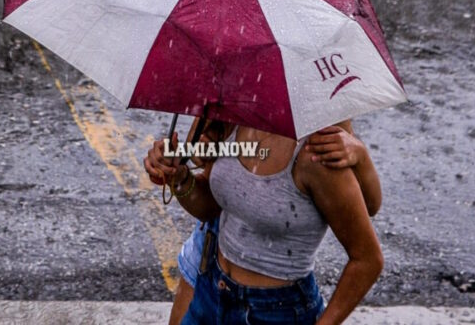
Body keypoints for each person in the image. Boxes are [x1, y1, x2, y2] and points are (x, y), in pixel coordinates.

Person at [145, 117, 384, 325]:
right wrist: (178, 177)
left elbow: (367, 252)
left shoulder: (319, 147)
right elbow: (213, 204)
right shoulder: (229, 110)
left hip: (276, 310)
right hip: (212, 287)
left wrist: (361, 157)